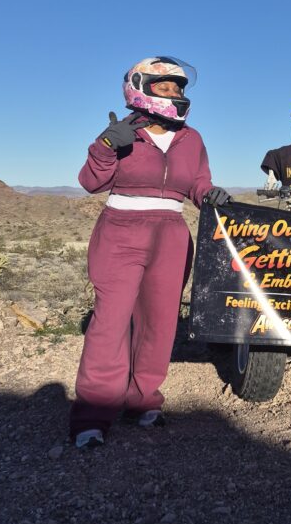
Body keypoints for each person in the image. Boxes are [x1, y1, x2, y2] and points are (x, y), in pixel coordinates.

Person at [70, 56, 231, 449]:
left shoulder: (191, 138)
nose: (175, 92)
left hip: (172, 233)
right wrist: (107, 146)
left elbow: (197, 182)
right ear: (140, 86)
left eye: (179, 86)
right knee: (109, 323)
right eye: (166, 86)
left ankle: (143, 401)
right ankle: (93, 415)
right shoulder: (123, 132)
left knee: (160, 324)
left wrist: (208, 194)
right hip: (120, 232)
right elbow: (91, 182)